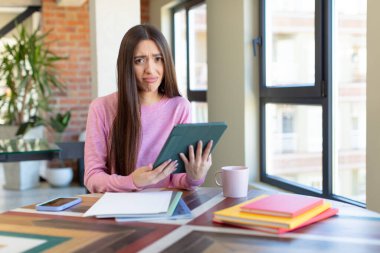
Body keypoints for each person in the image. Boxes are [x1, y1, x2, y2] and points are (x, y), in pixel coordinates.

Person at [84, 24, 213, 193]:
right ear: (127, 65)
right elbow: (92, 177)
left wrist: (194, 176)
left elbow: (176, 178)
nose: (150, 70)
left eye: (158, 59)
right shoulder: (100, 108)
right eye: (140, 60)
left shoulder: (180, 107)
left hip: (166, 205)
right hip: (119, 206)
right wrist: (132, 181)